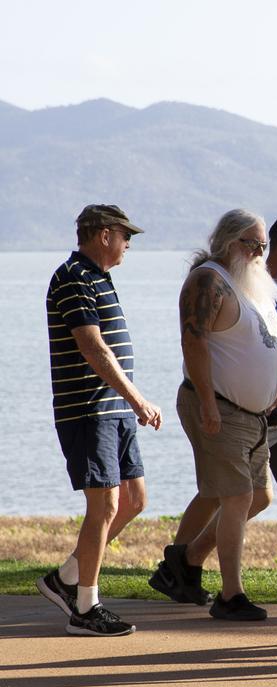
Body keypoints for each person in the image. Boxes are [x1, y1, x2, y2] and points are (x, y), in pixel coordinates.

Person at [148, 214, 277, 608]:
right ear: (228, 241)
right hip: (221, 408)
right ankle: (232, 594)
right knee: (237, 496)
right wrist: (208, 403)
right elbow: (194, 345)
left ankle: (185, 561)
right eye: (253, 244)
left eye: (261, 245)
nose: (260, 252)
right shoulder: (208, 281)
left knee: (259, 497)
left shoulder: (249, 285)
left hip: (257, 413)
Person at [37, 204, 161, 637]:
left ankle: (67, 576)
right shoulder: (73, 277)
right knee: (105, 504)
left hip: (114, 411)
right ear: (104, 235)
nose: (129, 244)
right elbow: (93, 349)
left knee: (134, 501)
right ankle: (85, 608)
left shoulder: (98, 278)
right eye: (126, 236)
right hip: (90, 411)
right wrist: (138, 399)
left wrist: (128, 404)